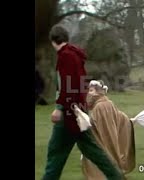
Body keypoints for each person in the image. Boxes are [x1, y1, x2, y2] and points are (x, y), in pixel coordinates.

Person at [41, 24, 123, 180]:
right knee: (94, 152)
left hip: (69, 114)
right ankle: (116, 177)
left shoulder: (65, 56)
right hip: (79, 111)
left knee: (56, 153)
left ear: (53, 41)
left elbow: (68, 85)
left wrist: (60, 107)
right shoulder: (75, 55)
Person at [82, 80, 135, 180]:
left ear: (99, 91)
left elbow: (98, 125)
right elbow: (120, 116)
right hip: (111, 140)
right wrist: (128, 121)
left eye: (92, 90)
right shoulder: (108, 103)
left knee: (103, 157)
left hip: (102, 140)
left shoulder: (100, 106)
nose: (89, 93)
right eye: (89, 90)